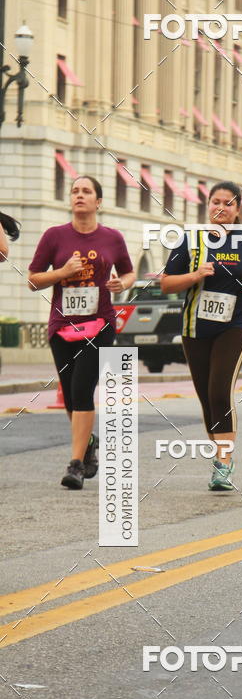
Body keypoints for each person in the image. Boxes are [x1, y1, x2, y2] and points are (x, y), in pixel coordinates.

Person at [161, 181, 242, 490]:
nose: (220, 208)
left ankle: (223, 464)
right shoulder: (191, 240)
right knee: (205, 398)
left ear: (238, 210)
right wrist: (195, 275)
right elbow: (166, 283)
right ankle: (219, 456)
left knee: (219, 391)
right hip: (195, 327)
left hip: (235, 324)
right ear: (208, 205)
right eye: (215, 202)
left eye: (228, 203)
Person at [29, 176, 134, 490]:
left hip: (100, 325)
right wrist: (62, 273)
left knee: (82, 388)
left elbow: (128, 271)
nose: (79, 195)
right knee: (71, 398)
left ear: (98, 202)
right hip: (62, 327)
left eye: (86, 191)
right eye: (75, 191)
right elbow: (33, 280)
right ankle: (88, 442)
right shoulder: (54, 236)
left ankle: (75, 465)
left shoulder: (112, 238)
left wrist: (122, 284)